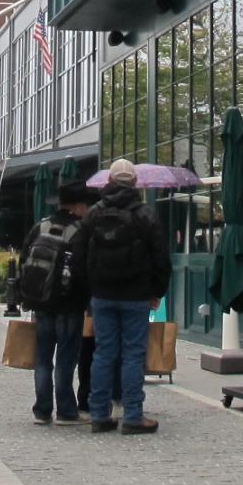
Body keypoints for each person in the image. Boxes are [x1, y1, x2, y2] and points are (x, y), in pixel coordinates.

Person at [81, 159, 171, 435]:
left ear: (109, 181)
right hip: (136, 295)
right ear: (134, 183)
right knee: (133, 354)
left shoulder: (94, 213)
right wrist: (157, 291)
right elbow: (161, 258)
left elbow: (81, 253)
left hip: (102, 294)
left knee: (103, 353)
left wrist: (88, 292)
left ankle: (98, 414)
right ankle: (133, 415)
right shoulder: (145, 215)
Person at [20, 182, 95, 425]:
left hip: (41, 303)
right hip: (69, 304)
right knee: (65, 359)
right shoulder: (80, 231)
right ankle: (66, 411)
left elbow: (23, 260)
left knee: (42, 358)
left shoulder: (40, 226)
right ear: (79, 206)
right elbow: (86, 270)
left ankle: (42, 411)